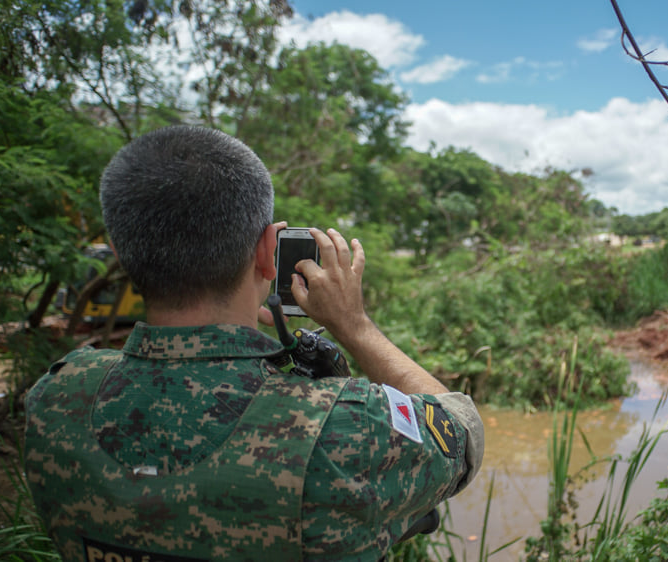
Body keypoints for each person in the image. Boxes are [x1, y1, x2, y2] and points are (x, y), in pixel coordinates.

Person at [24, 125, 484, 561]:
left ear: (122, 254)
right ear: (269, 253)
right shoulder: (348, 430)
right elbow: (462, 434)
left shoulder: (55, 399)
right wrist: (355, 326)